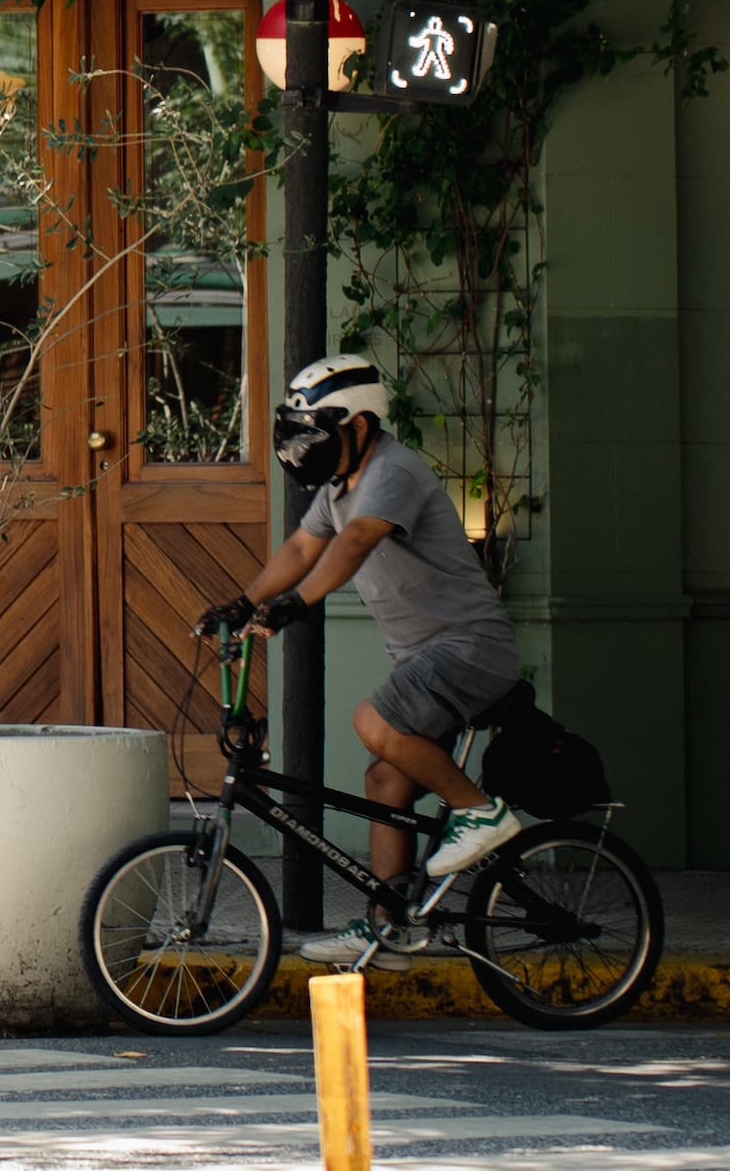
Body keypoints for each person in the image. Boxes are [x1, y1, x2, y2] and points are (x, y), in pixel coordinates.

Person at [204, 352, 532, 968]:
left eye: (318, 433)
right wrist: (245, 602)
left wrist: (297, 604)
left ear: (357, 426)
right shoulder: (340, 487)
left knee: (373, 720)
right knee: (384, 783)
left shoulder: (392, 471)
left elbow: (355, 542)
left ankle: (480, 812)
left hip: (469, 647)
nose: (306, 447)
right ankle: (390, 928)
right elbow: (303, 547)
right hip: (426, 658)